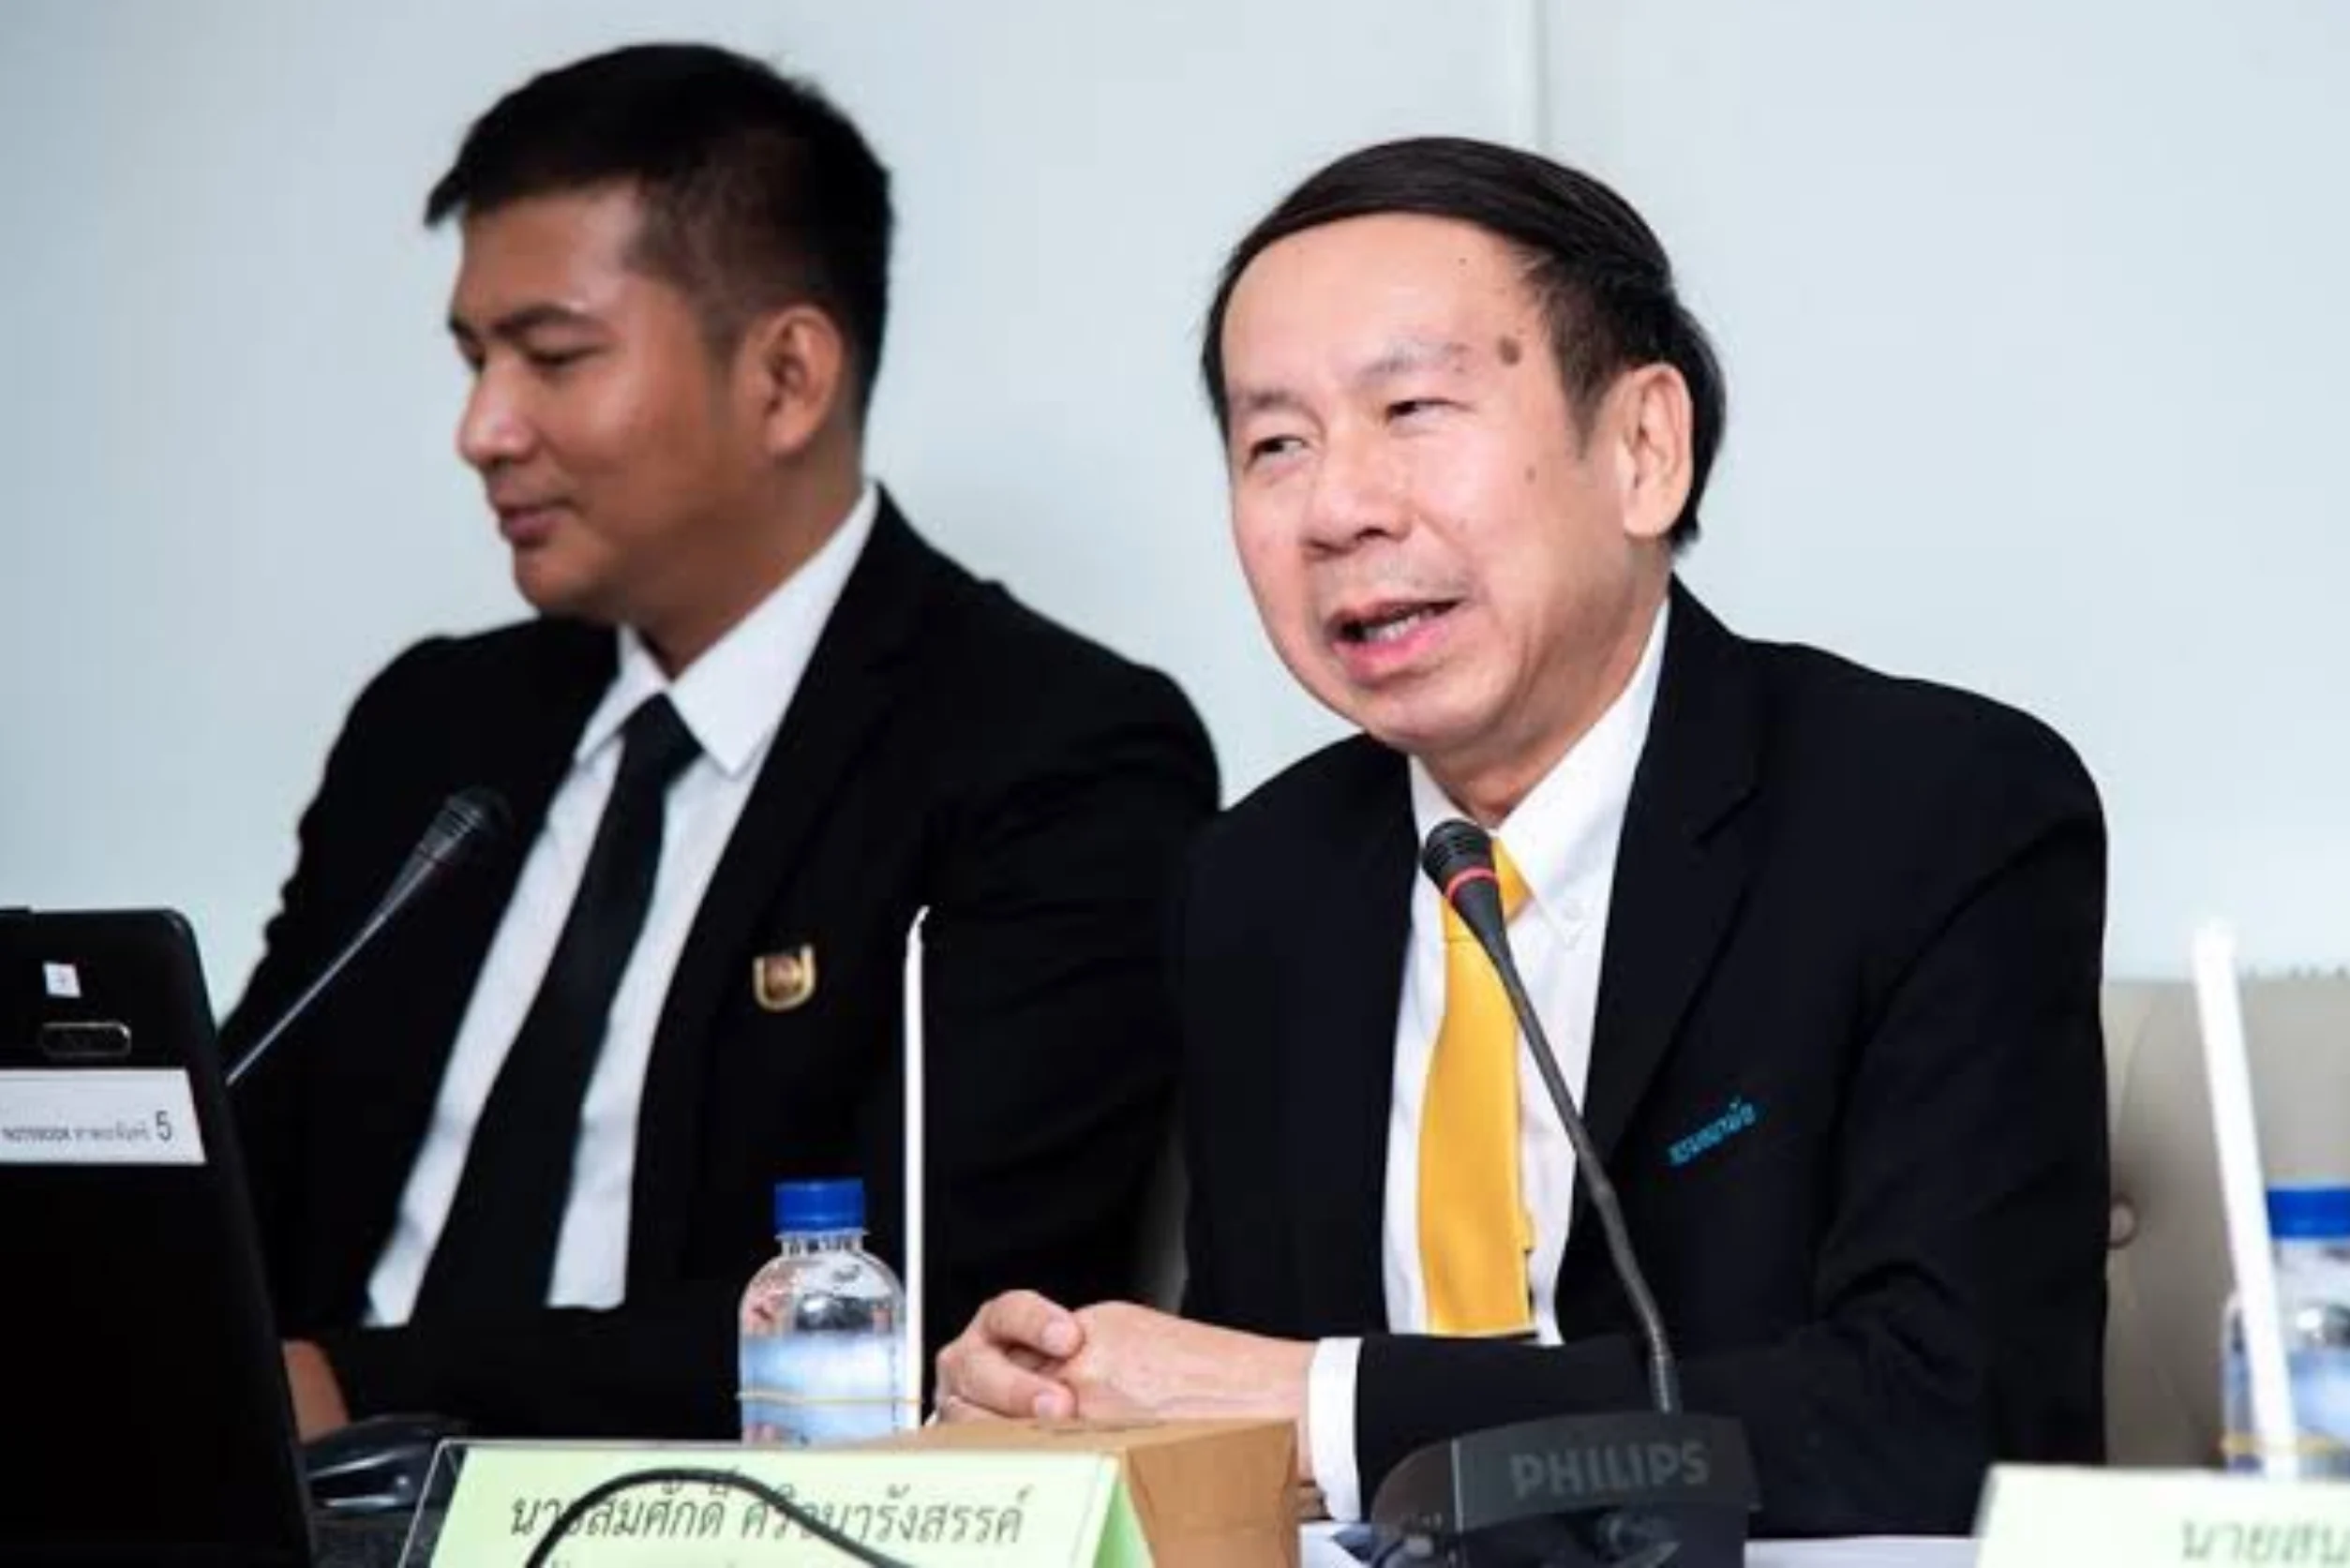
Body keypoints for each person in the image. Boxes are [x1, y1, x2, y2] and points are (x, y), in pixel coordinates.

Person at [935, 136, 2107, 1537]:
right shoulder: (1254, 886)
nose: (1338, 509)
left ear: (1643, 449)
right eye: (1275, 445)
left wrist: (1323, 1408)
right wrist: (1064, 1409)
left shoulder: (1932, 812)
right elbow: (1237, 1435)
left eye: (1413, 409)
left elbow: (1952, 1416)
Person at [223, 43, 1217, 1442]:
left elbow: (941, 1302)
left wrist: (355, 1391)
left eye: (553, 358)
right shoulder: (431, 730)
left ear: (786, 376)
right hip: (298, 1508)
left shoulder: (1052, 753)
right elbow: (226, 1175)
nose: (482, 430)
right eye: (472, 360)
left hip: (709, 1510)